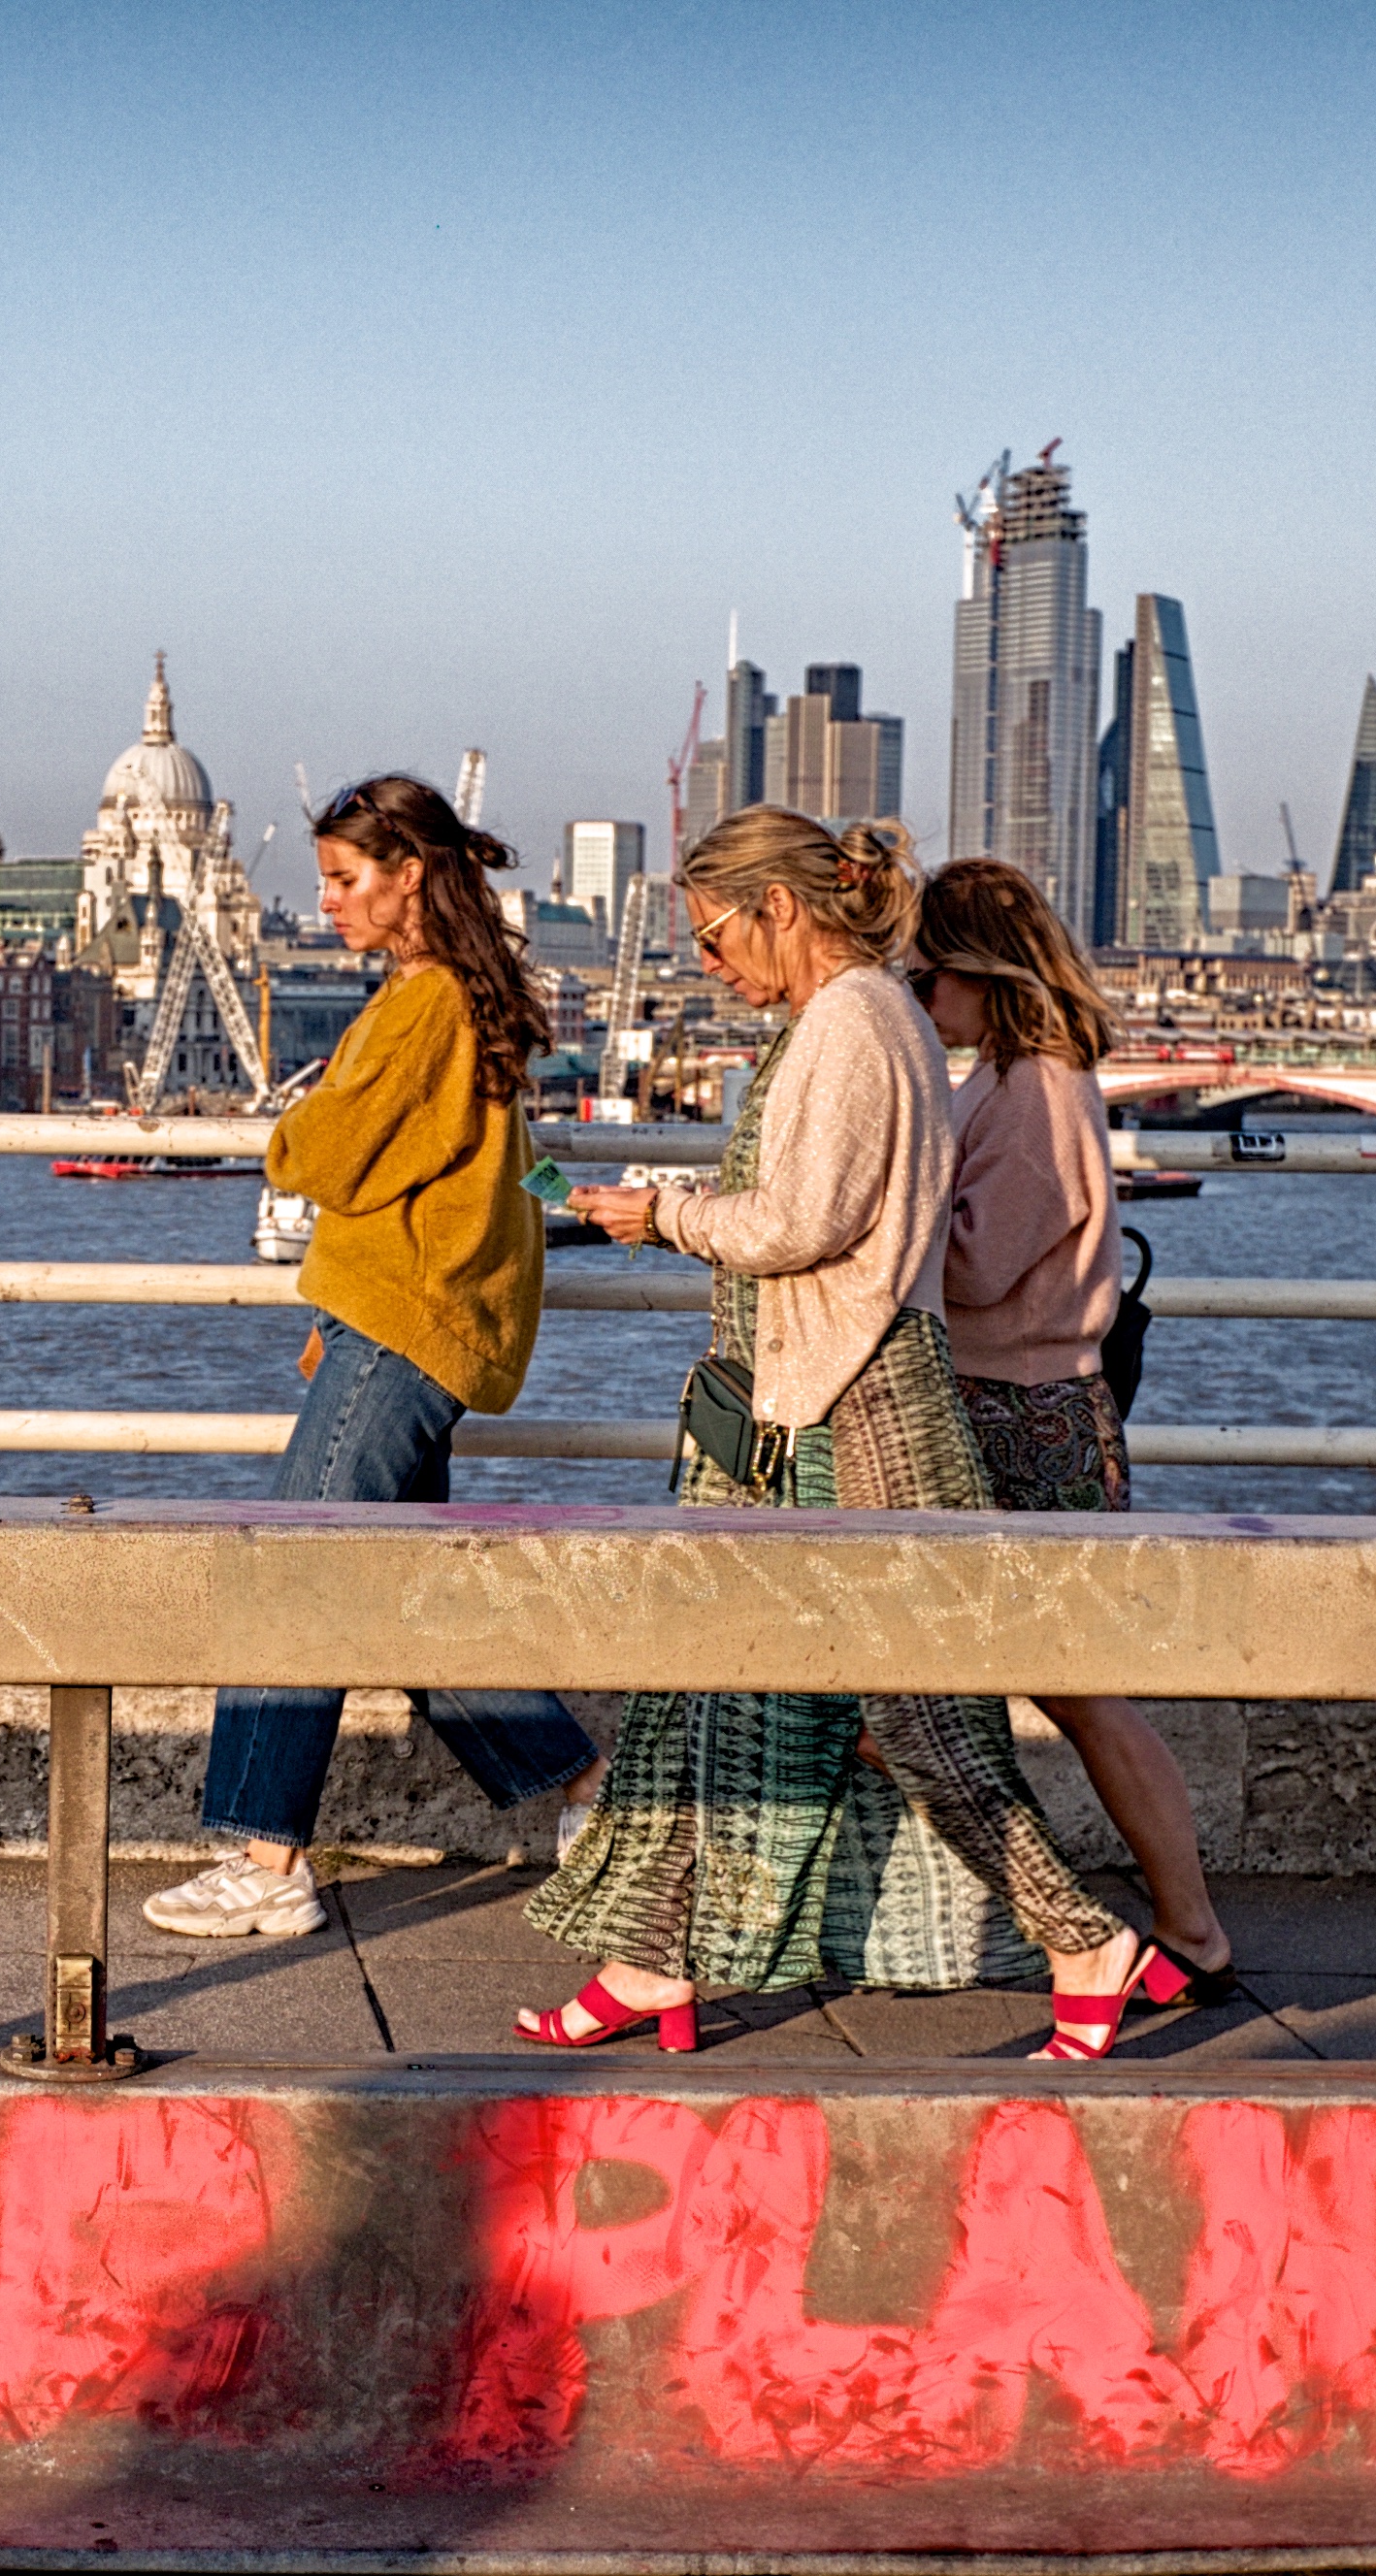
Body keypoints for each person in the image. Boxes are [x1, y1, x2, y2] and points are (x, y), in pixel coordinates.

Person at [524, 808, 1166, 2060]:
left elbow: (800, 1225)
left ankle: (1083, 1938)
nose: (707, 963)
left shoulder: (856, 1023)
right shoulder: (851, 1019)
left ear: (782, 908)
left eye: (713, 934)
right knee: (697, 1687)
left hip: (854, 1409)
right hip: (792, 1407)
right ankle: (651, 1962)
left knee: (921, 1715)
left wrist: (664, 1212)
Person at [141, 772, 601, 1941]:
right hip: (416, 1322)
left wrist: (288, 1129)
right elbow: (491, 1167)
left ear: (410, 876)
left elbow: (328, 1159)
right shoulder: (460, 996)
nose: (330, 902)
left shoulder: (423, 1004)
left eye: (347, 880)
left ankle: (265, 1857)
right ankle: (599, 1799)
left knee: (293, 1573)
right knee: (405, 1598)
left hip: (403, 1330)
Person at [919, 855, 1234, 2000]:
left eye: (929, 979)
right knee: (1064, 1689)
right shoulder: (1016, 1077)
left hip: (1025, 1413)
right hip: (1031, 1403)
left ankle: (1175, 1931)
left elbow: (976, 1263)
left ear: (979, 974)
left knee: (1072, 1691)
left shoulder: (1032, 1091)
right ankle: (1165, 1928)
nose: (921, 1000)